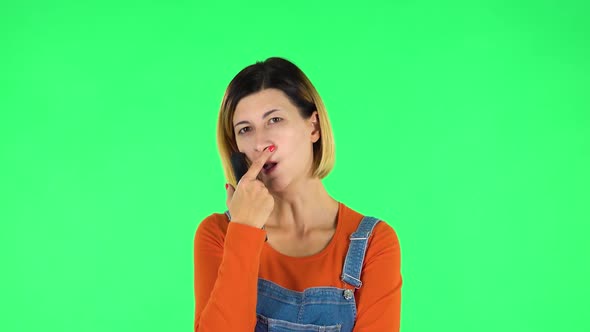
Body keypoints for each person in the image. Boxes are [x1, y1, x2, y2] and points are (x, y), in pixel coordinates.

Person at [193, 57, 402, 331]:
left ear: (313, 127)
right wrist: (243, 230)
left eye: (275, 120)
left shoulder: (373, 243)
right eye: (245, 129)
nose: (260, 143)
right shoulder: (219, 235)